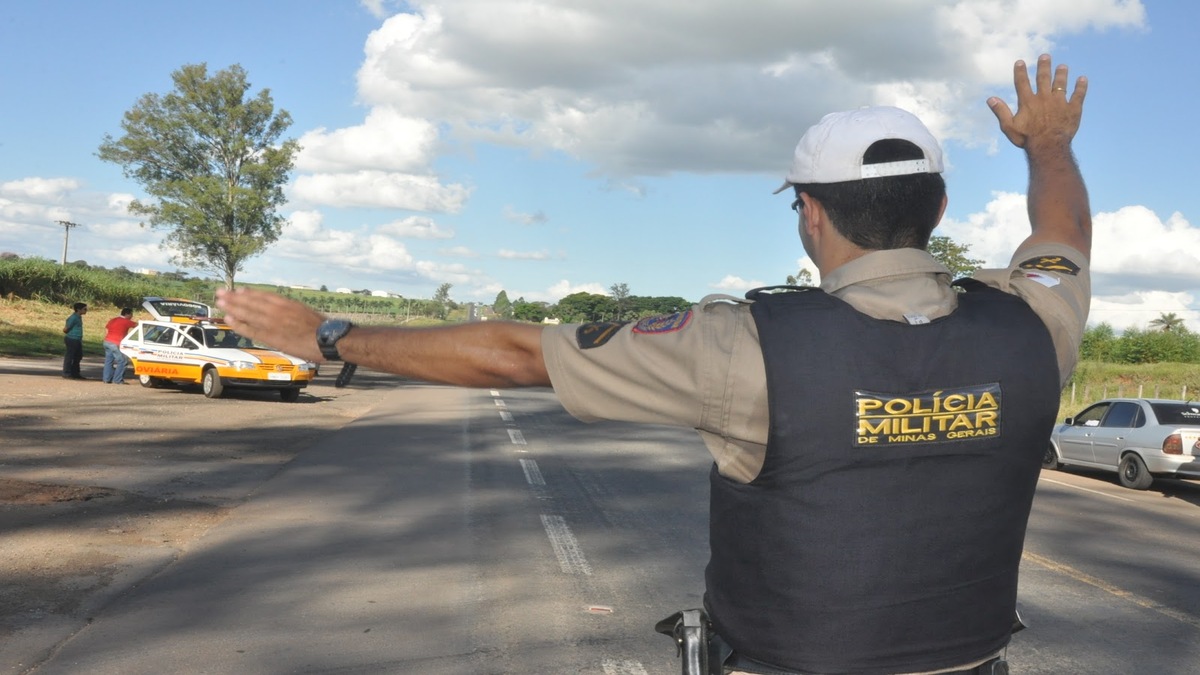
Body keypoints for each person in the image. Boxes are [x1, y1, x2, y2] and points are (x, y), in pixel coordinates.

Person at [215, 54, 1090, 674]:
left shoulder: (749, 342)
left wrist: (330, 337)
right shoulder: (1034, 323)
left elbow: (519, 353)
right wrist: (1046, 144)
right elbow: (1061, 237)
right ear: (937, 204)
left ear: (810, 216)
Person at [102, 307, 138, 384]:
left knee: (109, 361)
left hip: (107, 341)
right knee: (122, 361)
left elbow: (107, 328)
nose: (132, 316)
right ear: (127, 314)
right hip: (116, 343)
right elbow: (137, 325)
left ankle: (106, 379)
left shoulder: (113, 320)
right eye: (131, 314)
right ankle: (118, 380)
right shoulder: (126, 321)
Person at [62, 302, 88, 380]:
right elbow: (66, 329)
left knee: (78, 356)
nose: (86, 310)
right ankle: (66, 373)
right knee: (70, 356)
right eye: (84, 309)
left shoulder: (79, 317)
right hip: (72, 339)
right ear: (78, 309)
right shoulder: (73, 318)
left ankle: (75, 373)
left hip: (77, 339)